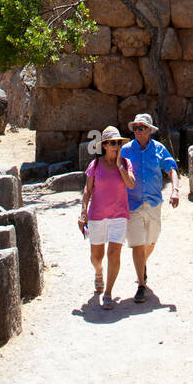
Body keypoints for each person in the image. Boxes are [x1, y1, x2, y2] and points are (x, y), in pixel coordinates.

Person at [120, 113, 179, 303]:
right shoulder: (126, 150)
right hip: (133, 204)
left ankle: (142, 264)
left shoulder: (159, 149)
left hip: (153, 203)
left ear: (149, 131)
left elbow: (171, 169)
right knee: (137, 243)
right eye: (135, 128)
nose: (137, 131)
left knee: (151, 241)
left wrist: (175, 190)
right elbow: (116, 172)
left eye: (141, 128)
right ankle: (141, 285)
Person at [78, 126, 135, 309]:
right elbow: (87, 190)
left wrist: (119, 166)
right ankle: (98, 271)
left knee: (114, 253)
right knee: (97, 256)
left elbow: (131, 185)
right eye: (112, 143)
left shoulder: (125, 164)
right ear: (104, 145)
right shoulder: (94, 165)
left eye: (118, 143)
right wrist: (82, 212)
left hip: (119, 215)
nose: (116, 146)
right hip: (97, 216)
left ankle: (108, 292)